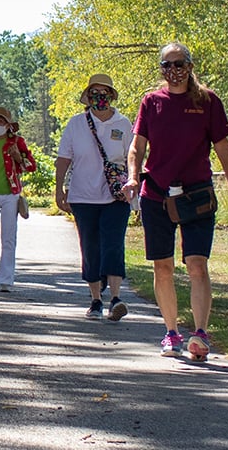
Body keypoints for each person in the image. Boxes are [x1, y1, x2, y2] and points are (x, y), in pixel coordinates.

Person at [123, 42, 228, 360]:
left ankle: (201, 334)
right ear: (161, 70)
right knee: (162, 267)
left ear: (190, 66)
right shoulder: (151, 102)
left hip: (197, 195)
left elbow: (223, 148)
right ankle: (171, 333)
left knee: (197, 265)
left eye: (179, 64)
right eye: (167, 65)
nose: (174, 71)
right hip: (157, 196)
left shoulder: (207, 101)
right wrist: (133, 176)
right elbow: (137, 147)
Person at [55, 74, 133, 322]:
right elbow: (64, 159)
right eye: (95, 92)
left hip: (116, 196)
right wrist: (59, 190)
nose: (100, 97)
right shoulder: (76, 124)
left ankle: (116, 298)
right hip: (83, 196)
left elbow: (134, 157)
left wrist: (134, 187)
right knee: (90, 247)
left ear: (111, 95)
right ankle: (96, 299)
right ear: (88, 97)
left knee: (113, 244)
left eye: (104, 92)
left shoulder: (123, 123)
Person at [0, 106, 36, 292]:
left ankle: (6, 279)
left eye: (0, 121)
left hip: (11, 194)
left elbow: (31, 166)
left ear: (8, 125)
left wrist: (19, 158)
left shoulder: (17, 142)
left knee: (8, 237)